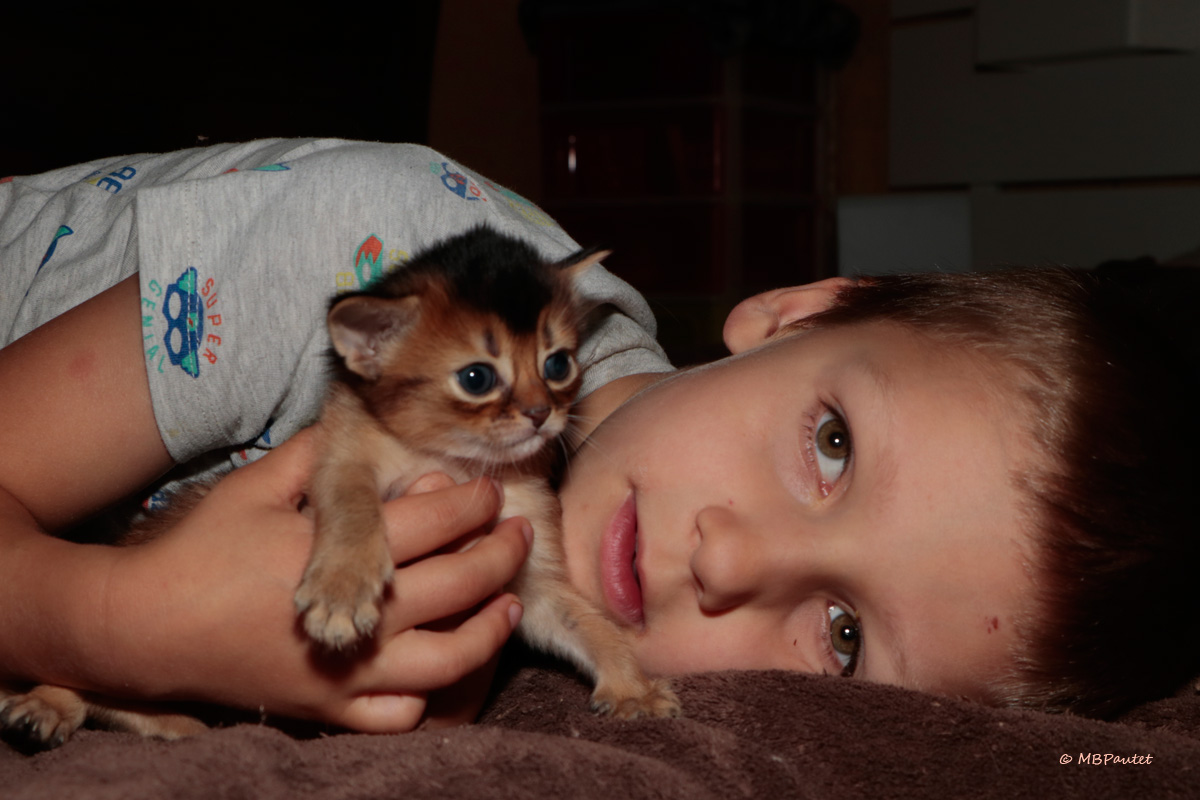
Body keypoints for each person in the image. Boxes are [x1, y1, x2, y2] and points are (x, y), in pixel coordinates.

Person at [0, 141, 1193, 736]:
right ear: (794, 313)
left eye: (843, 635)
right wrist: (116, 623)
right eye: (831, 443)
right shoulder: (359, 259)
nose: (730, 557)